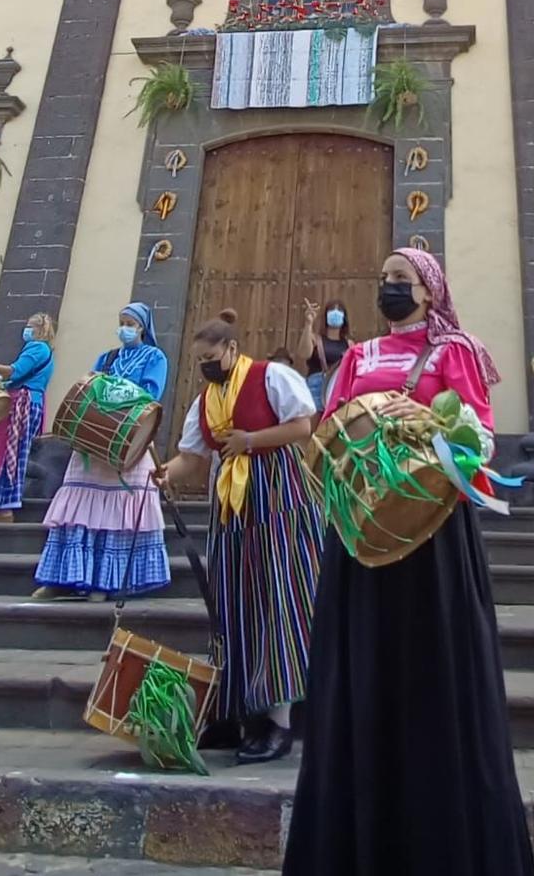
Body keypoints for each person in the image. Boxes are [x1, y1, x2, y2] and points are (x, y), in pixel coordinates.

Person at [283, 247, 534, 876]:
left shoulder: (456, 352)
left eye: (403, 281)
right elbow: (329, 428)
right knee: (359, 666)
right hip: (358, 531)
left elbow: (479, 434)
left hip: (433, 530)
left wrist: (423, 420)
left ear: (429, 290)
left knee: (433, 667)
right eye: (386, 280)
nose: (390, 289)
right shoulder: (360, 355)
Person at [160, 311, 321, 764]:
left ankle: (279, 721)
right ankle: (236, 711)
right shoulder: (206, 401)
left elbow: (302, 427)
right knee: (233, 601)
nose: (206, 367)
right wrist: (162, 474)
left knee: (278, 599)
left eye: (211, 357)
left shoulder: (272, 377)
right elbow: (191, 458)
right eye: (199, 362)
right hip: (232, 509)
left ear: (232, 349)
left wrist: (250, 440)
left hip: (279, 498)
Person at [33, 304, 170, 601]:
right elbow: (90, 386)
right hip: (92, 444)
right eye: (121, 322)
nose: (125, 327)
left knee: (119, 510)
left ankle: (104, 583)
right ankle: (62, 579)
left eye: (130, 322)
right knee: (79, 505)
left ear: (143, 327)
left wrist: (117, 399)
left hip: (128, 439)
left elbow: (152, 393)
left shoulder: (155, 357)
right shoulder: (108, 357)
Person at [0, 315, 55, 523]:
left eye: (30, 326)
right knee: (7, 452)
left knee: (9, 452)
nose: (26, 329)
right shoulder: (39, 349)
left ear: (40, 329)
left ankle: (3, 507)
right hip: (24, 401)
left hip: (22, 404)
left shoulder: (38, 348)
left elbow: (13, 371)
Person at [301, 297, 353, 411]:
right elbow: (304, 354)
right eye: (331, 310)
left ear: (344, 318)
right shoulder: (315, 339)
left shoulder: (350, 345)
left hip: (339, 390)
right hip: (315, 389)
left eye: (339, 310)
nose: (335, 312)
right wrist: (308, 324)